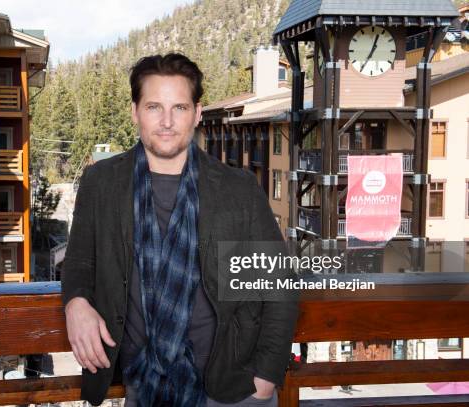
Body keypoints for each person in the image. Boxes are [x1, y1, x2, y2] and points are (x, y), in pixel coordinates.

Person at [61, 53, 299, 407]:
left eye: (180, 108)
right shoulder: (102, 183)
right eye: (154, 107)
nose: (167, 121)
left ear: (197, 113)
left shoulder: (237, 188)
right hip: (144, 384)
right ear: (135, 111)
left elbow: (279, 284)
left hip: (232, 388)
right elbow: (79, 263)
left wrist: (264, 377)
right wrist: (75, 303)